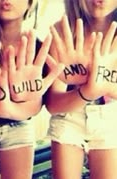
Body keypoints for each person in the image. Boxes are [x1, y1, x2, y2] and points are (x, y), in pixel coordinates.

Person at [0, 0, 63, 178]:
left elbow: (35, 105)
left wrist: (5, 108)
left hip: (19, 127)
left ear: (30, 3)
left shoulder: (37, 47)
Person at [46, 0, 117, 179]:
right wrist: (87, 92)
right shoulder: (62, 31)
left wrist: (104, 86)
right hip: (69, 117)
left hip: (110, 118)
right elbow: (53, 104)